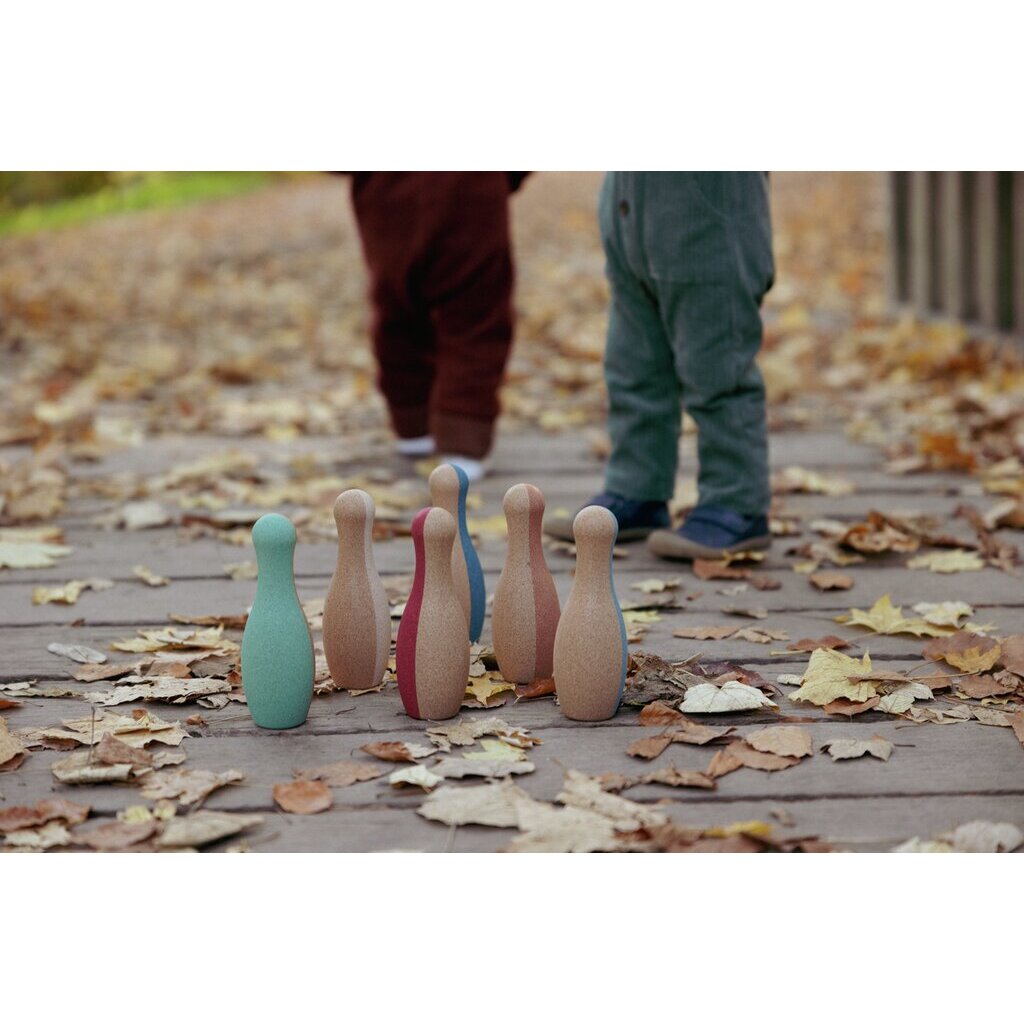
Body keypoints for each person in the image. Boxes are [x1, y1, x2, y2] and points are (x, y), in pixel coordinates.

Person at [544, 172, 775, 560]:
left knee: (718, 367)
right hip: (630, 209)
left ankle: (737, 502)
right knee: (633, 364)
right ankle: (637, 488)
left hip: (707, 215)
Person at [348, 172, 529, 482]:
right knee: (476, 317)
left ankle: (412, 421)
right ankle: (464, 436)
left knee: (397, 311)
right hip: (472, 192)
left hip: (387, 197)